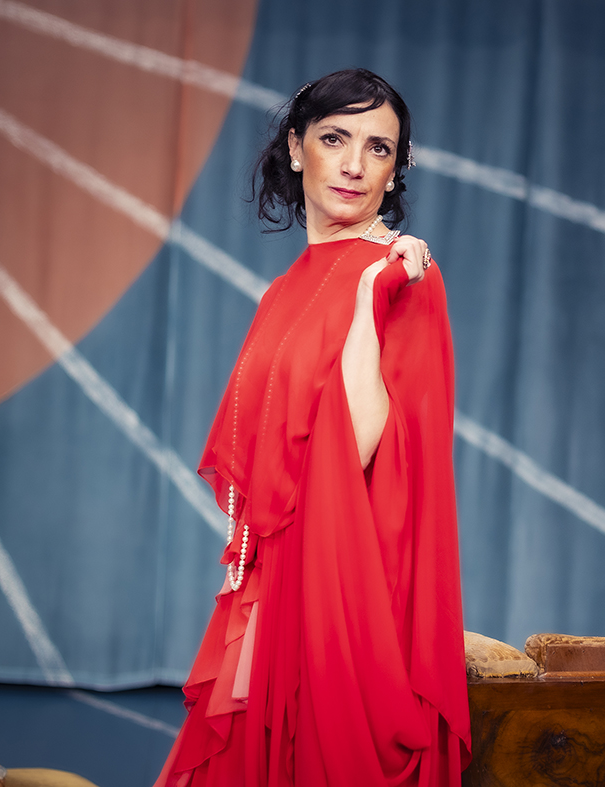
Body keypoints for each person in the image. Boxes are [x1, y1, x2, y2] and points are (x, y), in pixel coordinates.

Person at [154, 68, 470, 786]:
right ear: (296, 149)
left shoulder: (401, 275)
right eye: (334, 139)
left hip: (347, 585)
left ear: (396, 169)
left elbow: (354, 447)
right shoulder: (281, 290)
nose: (355, 164)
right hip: (276, 581)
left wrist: (366, 299)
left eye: (378, 148)